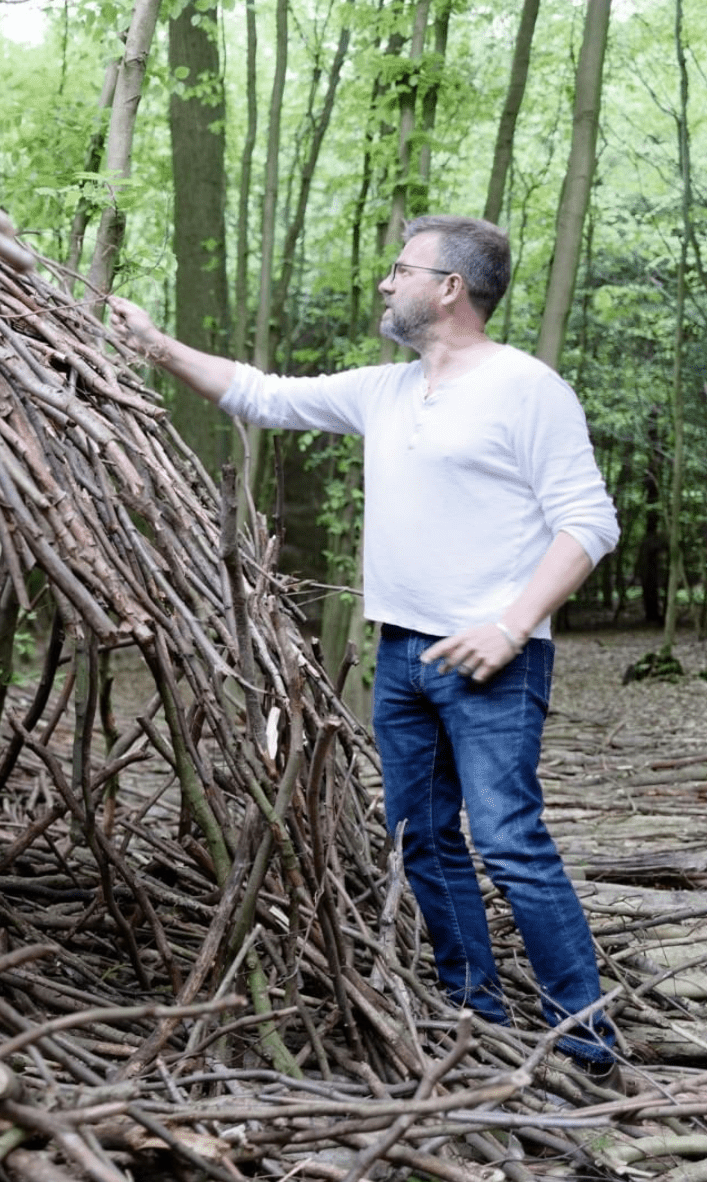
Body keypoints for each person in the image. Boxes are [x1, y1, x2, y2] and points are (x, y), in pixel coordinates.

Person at [108, 214, 621, 1078]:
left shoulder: (528, 389)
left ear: (450, 287)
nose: (386, 283)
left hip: (494, 662)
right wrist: (159, 347)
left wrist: (507, 626)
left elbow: (589, 522)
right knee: (422, 837)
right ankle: (474, 1012)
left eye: (401, 269)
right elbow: (261, 394)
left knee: (508, 842)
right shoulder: (389, 389)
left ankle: (588, 1038)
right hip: (402, 657)